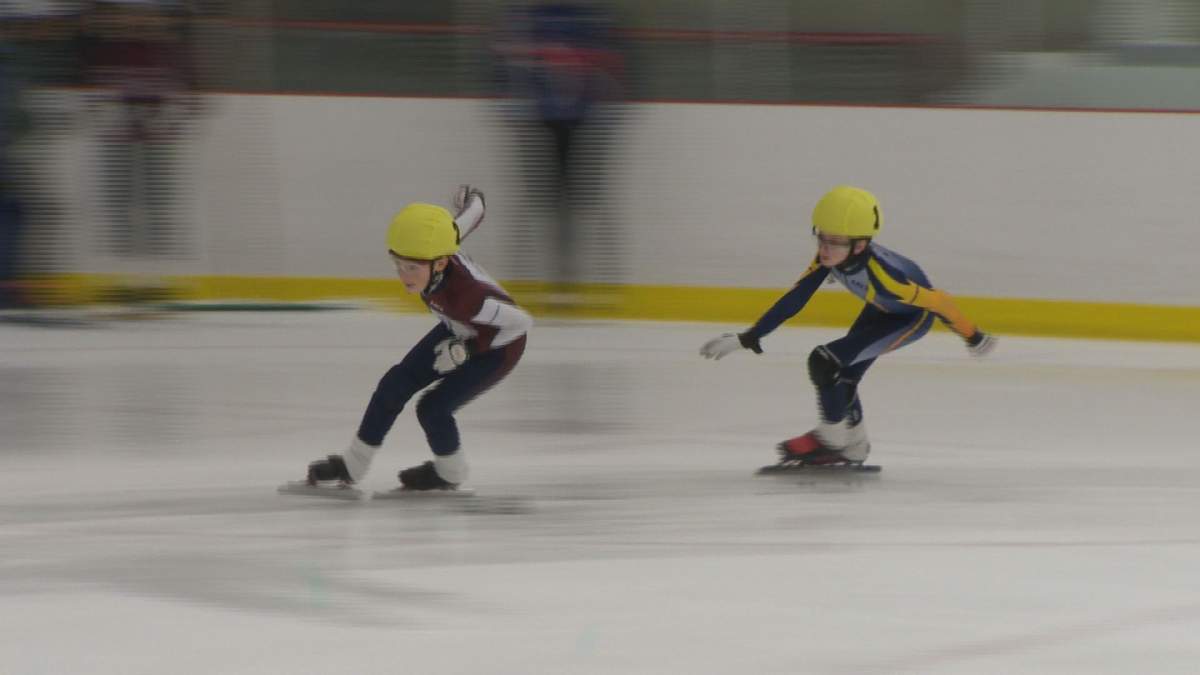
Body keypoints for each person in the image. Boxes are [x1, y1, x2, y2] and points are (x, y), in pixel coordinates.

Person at [699, 186, 996, 466]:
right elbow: (796, 297)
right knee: (842, 375)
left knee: (824, 361)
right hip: (881, 309)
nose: (825, 249)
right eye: (822, 237)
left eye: (835, 241)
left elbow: (940, 302)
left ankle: (831, 438)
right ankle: (853, 446)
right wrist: (749, 336)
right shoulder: (830, 257)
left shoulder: (885, 276)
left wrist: (973, 336)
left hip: (909, 319)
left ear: (860, 245)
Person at [305, 186, 533, 490]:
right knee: (394, 385)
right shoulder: (441, 244)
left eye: (412, 267)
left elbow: (520, 323)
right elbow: (469, 217)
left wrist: (467, 348)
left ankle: (450, 473)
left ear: (439, 263)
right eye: (398, 265)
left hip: (499, 348)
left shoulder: (469, 297)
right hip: (459, 328)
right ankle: (353, 465)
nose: (404, 276)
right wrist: (473, 199)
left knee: (433, 408)